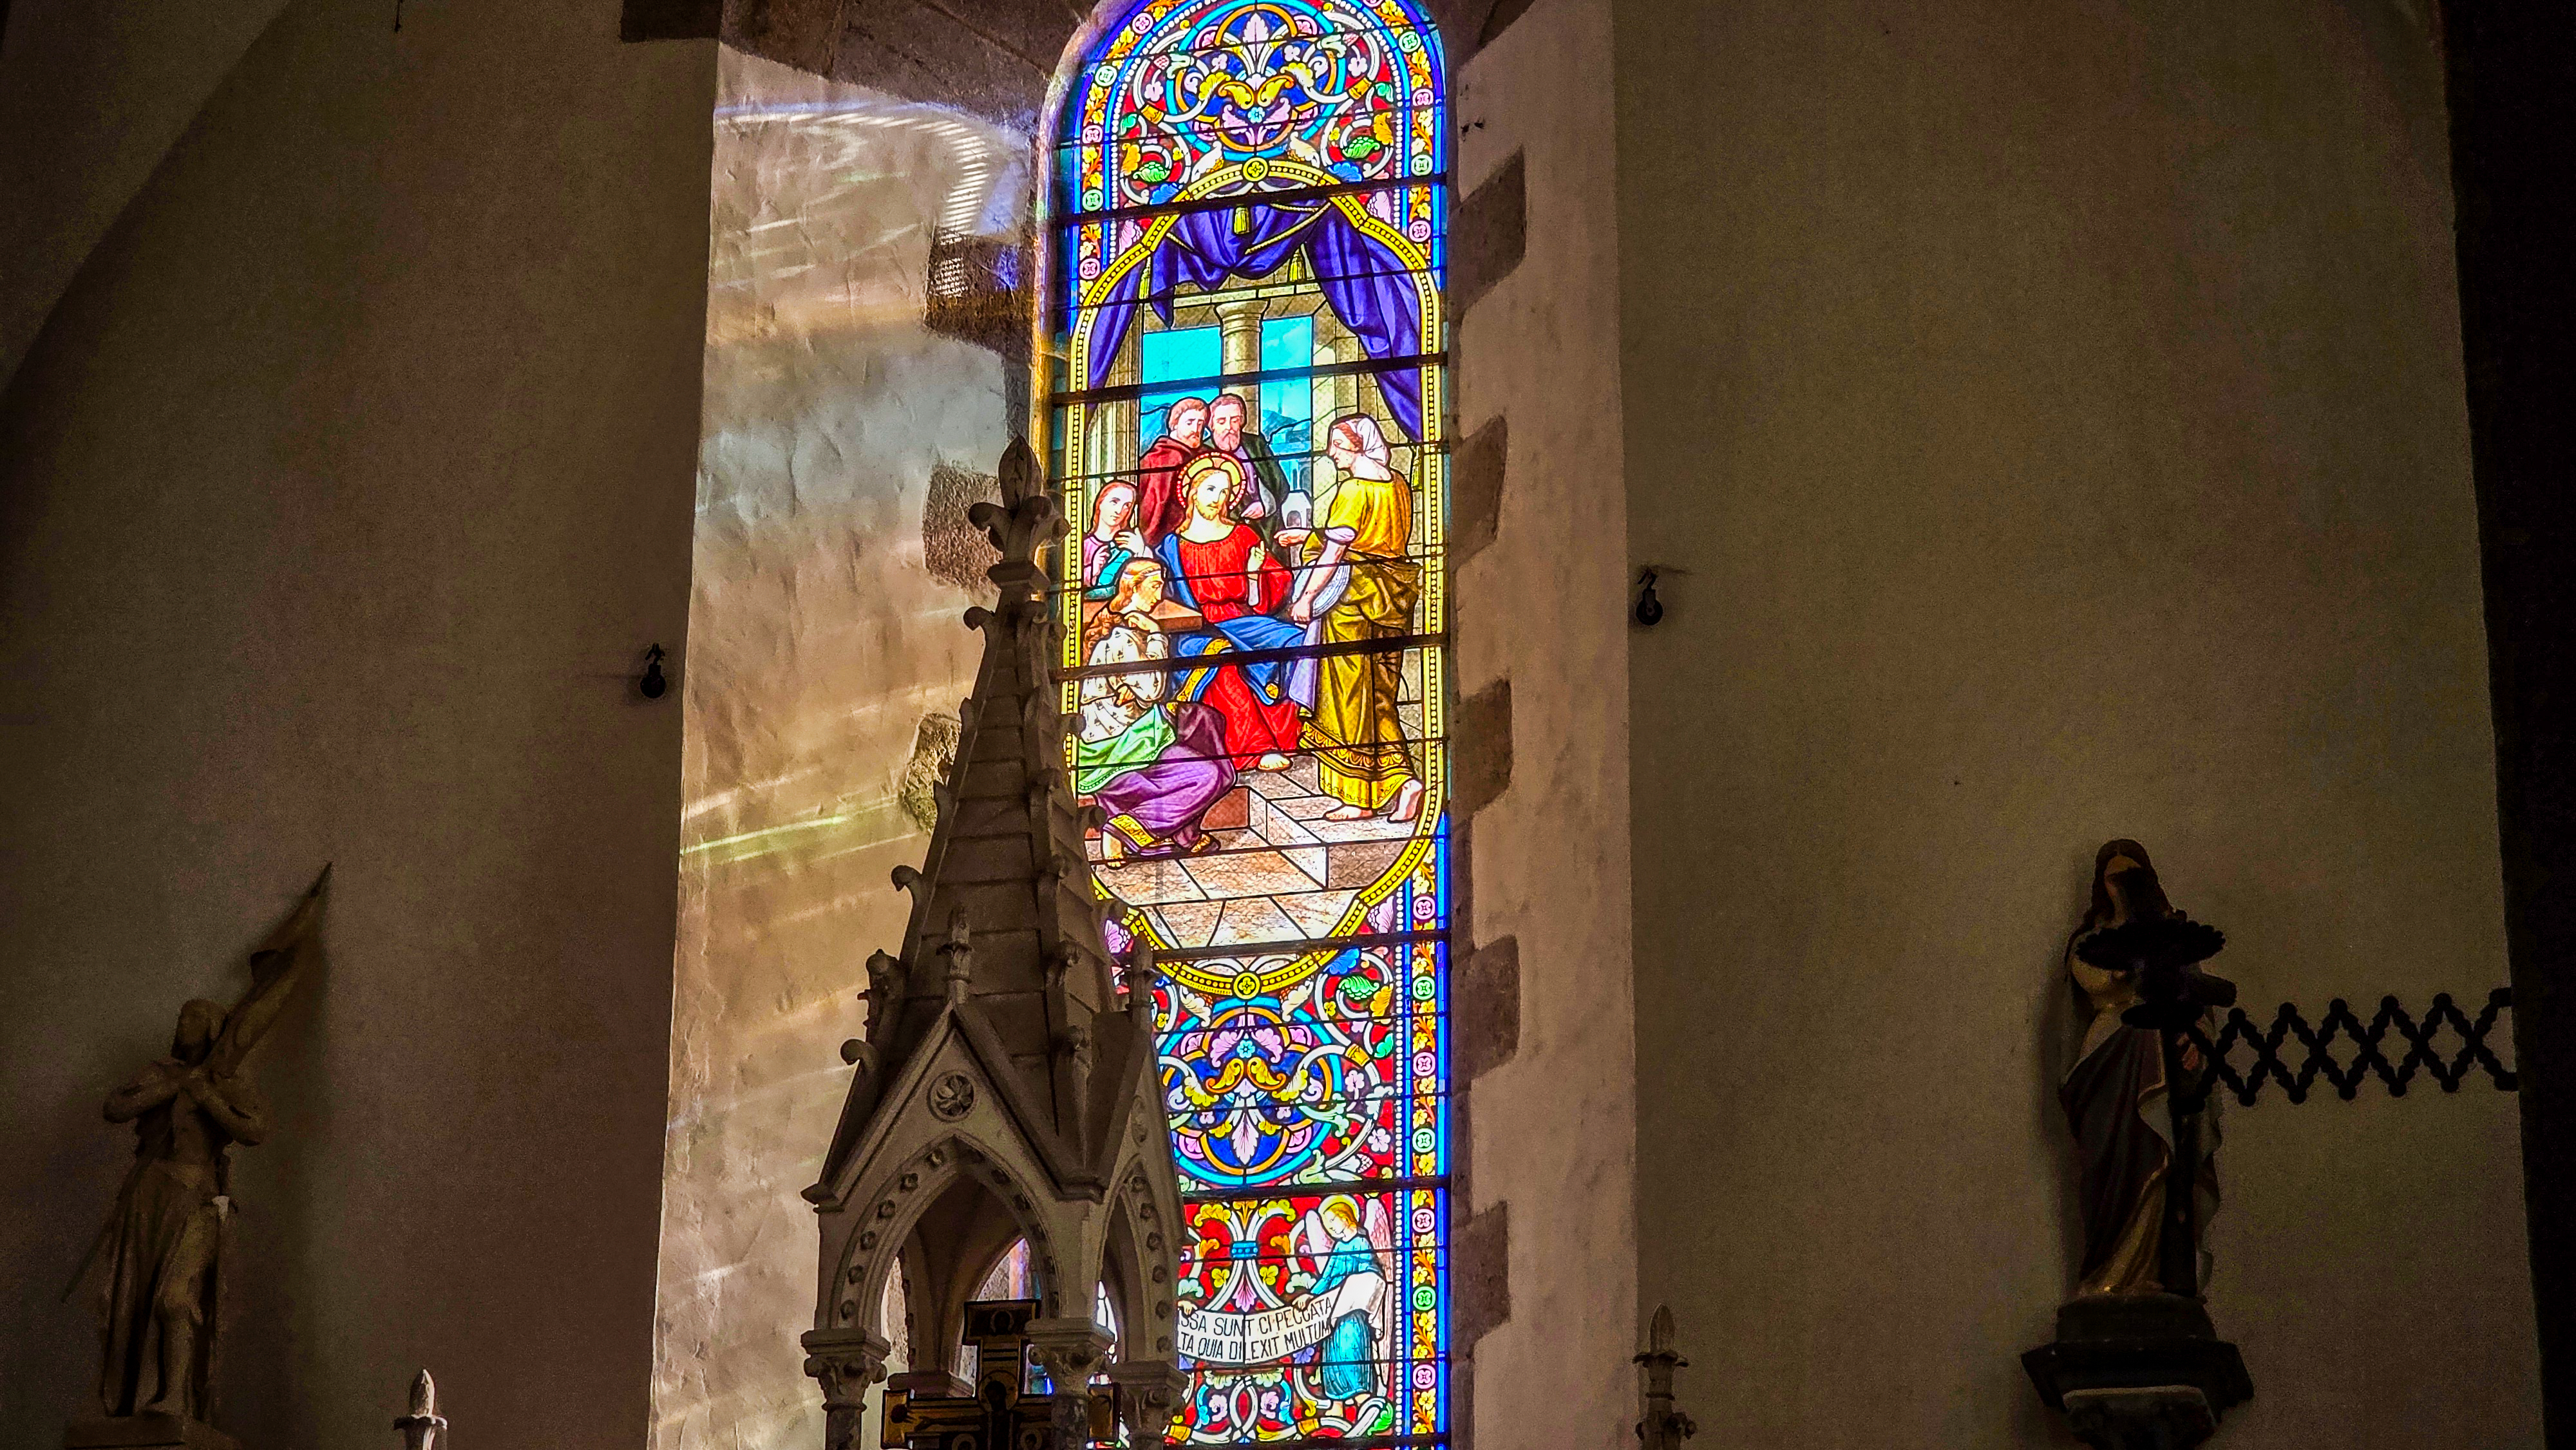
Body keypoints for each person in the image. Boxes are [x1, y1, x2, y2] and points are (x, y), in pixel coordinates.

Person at [83, 868, 327, 1422]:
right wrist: (172, 1088)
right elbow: (115, 1107)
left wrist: (209, 1100)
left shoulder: (225, 1082)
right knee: (128, 1306)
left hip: (197, 1198)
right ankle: (126, 1404)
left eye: (197, 1014)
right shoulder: (162, 1073)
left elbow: (256, 1131)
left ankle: (175, 1399)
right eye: (182, 1015)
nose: (186, 1020)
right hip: (147, 1192)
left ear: (217, 1027)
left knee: (174, 1300)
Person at [2060, 840, 2222, 1297]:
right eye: (2115, 878)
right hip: (2108, 1054)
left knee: (2162, 1151)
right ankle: (2107, 1272)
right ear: (2101, 886)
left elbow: (2197, 1000)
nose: (2123, 887)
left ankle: (2154, 1270)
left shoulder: (2174, 936)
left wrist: (2197, 1040)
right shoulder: (2091, 941)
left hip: (2162, 1049)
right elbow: (2097, 978)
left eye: (2133, 877)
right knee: (2110, 1163)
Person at [1291, 413, 1423, 822]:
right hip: (1394, 597)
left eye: (1337, 443)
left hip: (1352, 601)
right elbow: (1379, 542)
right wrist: (1311, 536)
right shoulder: (1397, 483)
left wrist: (1307, 597)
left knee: (1349, 700)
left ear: (1357, 444)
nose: (1332, 452)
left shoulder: (1352, 490)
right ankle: (1407, 784)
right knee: (1381, 696)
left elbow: (1337, 555)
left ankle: (1359, 798)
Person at [1075, 561, 1238, 858]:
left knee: (1208, 727)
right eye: (1154, 585)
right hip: (1118, 749)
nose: (1160, 593)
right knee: (1211, 774)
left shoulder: (1125, 627)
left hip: (1138, 734)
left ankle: (1183, 833)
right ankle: (1126, 829)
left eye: (1161, 584)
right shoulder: (1123, 635)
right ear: (1133, 588)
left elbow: (1144, 692)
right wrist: (1157, 634)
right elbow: (1152, 689)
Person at [1155, 455, 1302, 771]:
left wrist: (1252, 574)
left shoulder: (1244, 536)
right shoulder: (1171, 547)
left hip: (1242, 620)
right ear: (1193, 492)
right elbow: (1161, 598)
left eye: (1224, 492)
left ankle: (1291, 735)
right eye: (1211, 490)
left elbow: (1261, 599)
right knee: (1223, 660)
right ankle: (1256, 748)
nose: (1218, 499)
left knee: (1297, 642)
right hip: (1195, 630)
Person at [1296, 1196, 1389, 1401]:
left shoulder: (1362, 1242)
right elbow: (1327, 1277)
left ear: (1346, 1217)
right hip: (1333, 1310)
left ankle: (1361, 1398)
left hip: (1353, 1313)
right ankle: (1336, 1403)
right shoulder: (1339, 1248)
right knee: (1333, 1354)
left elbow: (1372, 1273)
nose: (1330, 1228)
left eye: (1332, 1221)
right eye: (1327, 1224)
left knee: (1351, 1350)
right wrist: (1312, 1295)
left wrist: (1353, 1284)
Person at [1203, 392, 1291, 534]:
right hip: (1227, 534)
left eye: (1234, 420)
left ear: (1242, 421)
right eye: (1221, 421)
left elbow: (1280, 484)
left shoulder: (1256, 444)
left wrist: (1265, 505)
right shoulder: (1203, 454)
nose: (1229, 428)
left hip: (1268, 530)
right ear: (1211, 425)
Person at [1132, 396, 1209, 548]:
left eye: (1200, 423)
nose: (1196, 429)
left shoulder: (1204, 455)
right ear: (1174, 424)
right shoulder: (1161, 458)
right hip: (1168, 543)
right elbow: (1153, 509)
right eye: (1190, 422)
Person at [1082, 480, 1148, 598]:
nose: (1119, 511)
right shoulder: (1082, 546)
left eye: (1127, 505)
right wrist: (1093, 569)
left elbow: (1147, 589)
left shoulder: (1134, 544)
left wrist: (1141, 552)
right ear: (1100, 504)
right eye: (1114, 502)